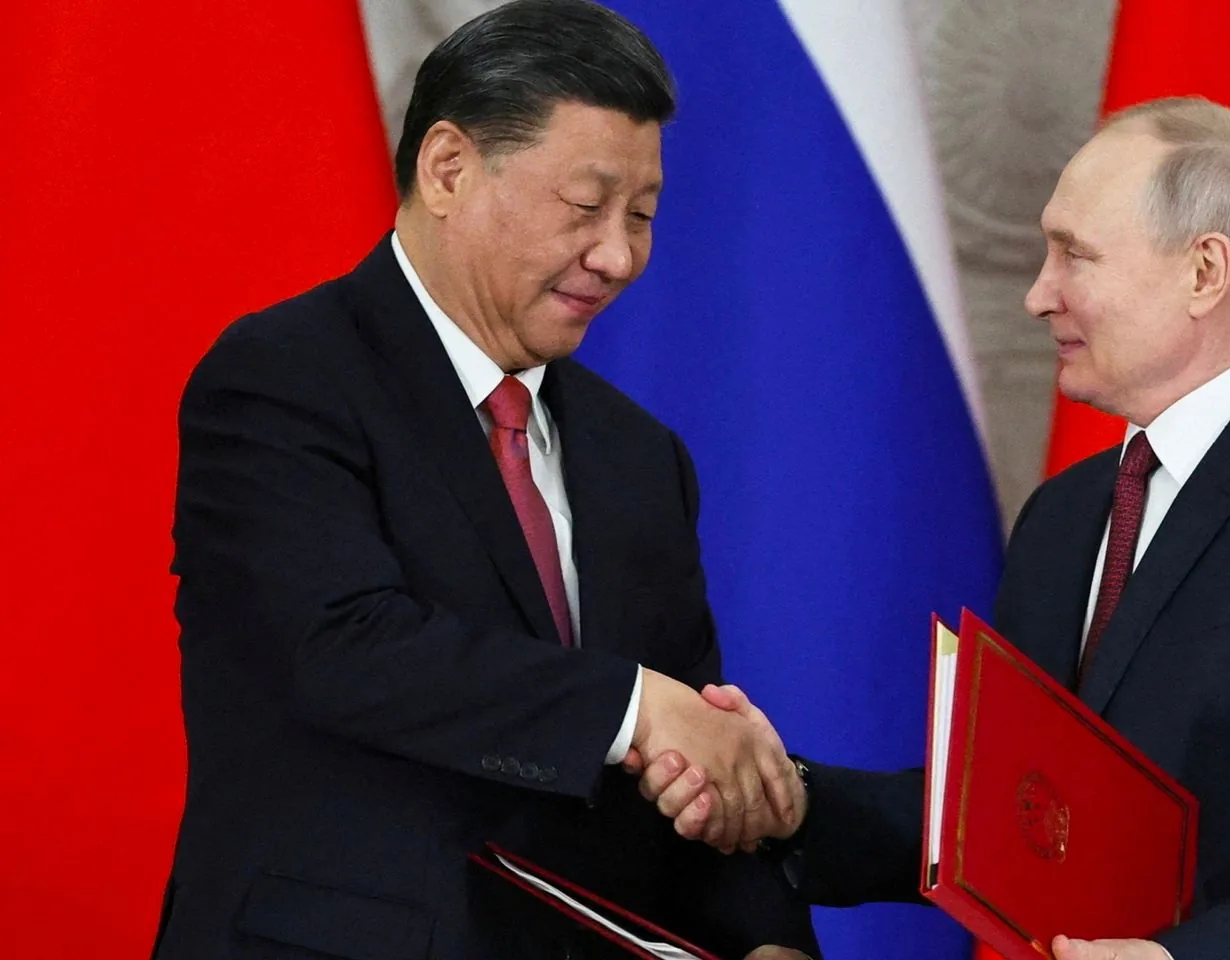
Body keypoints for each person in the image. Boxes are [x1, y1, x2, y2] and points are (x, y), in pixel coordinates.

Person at [639, 96, 1230, 960]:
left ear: (1204, 272)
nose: (1038, 295)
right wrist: (794, 799)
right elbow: (1012, 820)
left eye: (1074, 255)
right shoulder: (1069, 513)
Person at [154, 2, 814, 958]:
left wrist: (769, 938)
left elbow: (689, 748)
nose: (618, 256)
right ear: (449, 167)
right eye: (585, 208)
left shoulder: (639, 455)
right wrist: (632, 708)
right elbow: (339, 647)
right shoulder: (282, 375)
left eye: (642, 216)